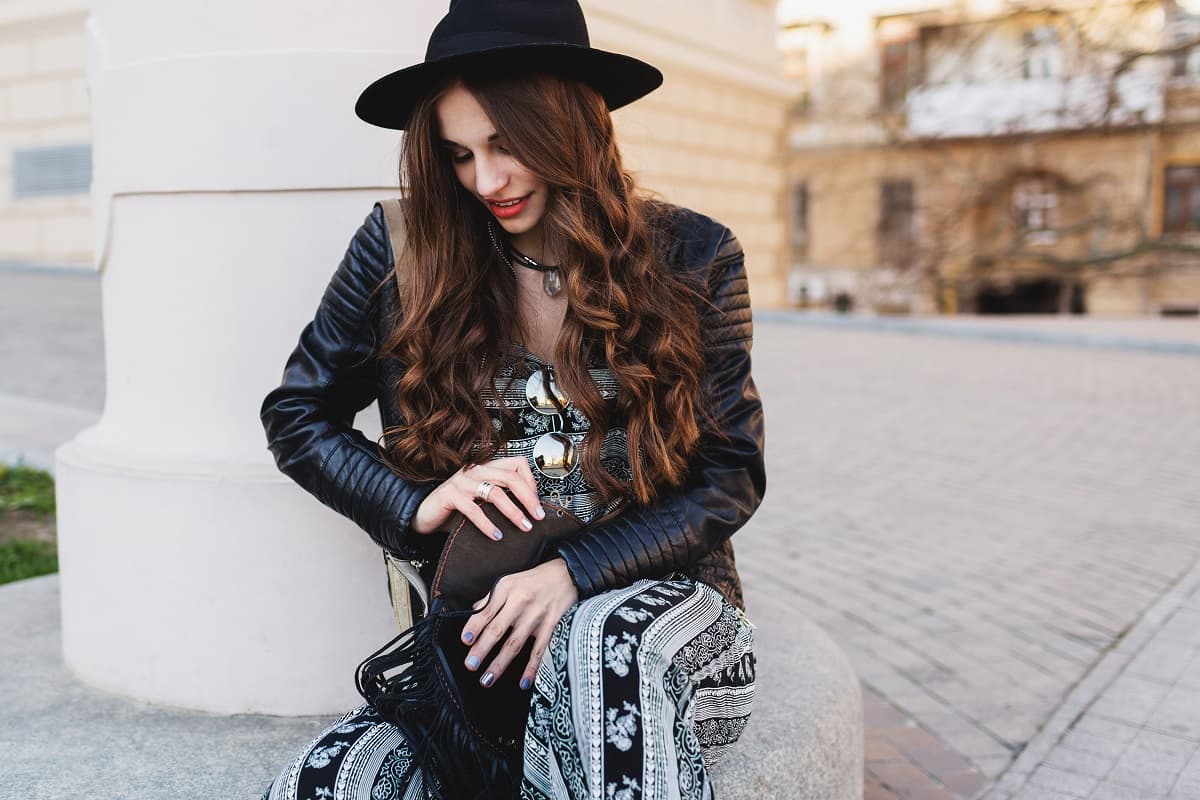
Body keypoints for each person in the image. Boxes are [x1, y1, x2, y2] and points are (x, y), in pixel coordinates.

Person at [258, 1, 766, 798]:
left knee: (600, 655)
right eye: (458, 154)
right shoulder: (402, 250)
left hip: (659, 622)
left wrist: (575, 572)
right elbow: (296, 415)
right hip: (480, 645)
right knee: (329, 783)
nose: (485, 181)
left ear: (570, 126)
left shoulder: (693, 255)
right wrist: (414, 503)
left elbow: (730, 474)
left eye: (506, 145)